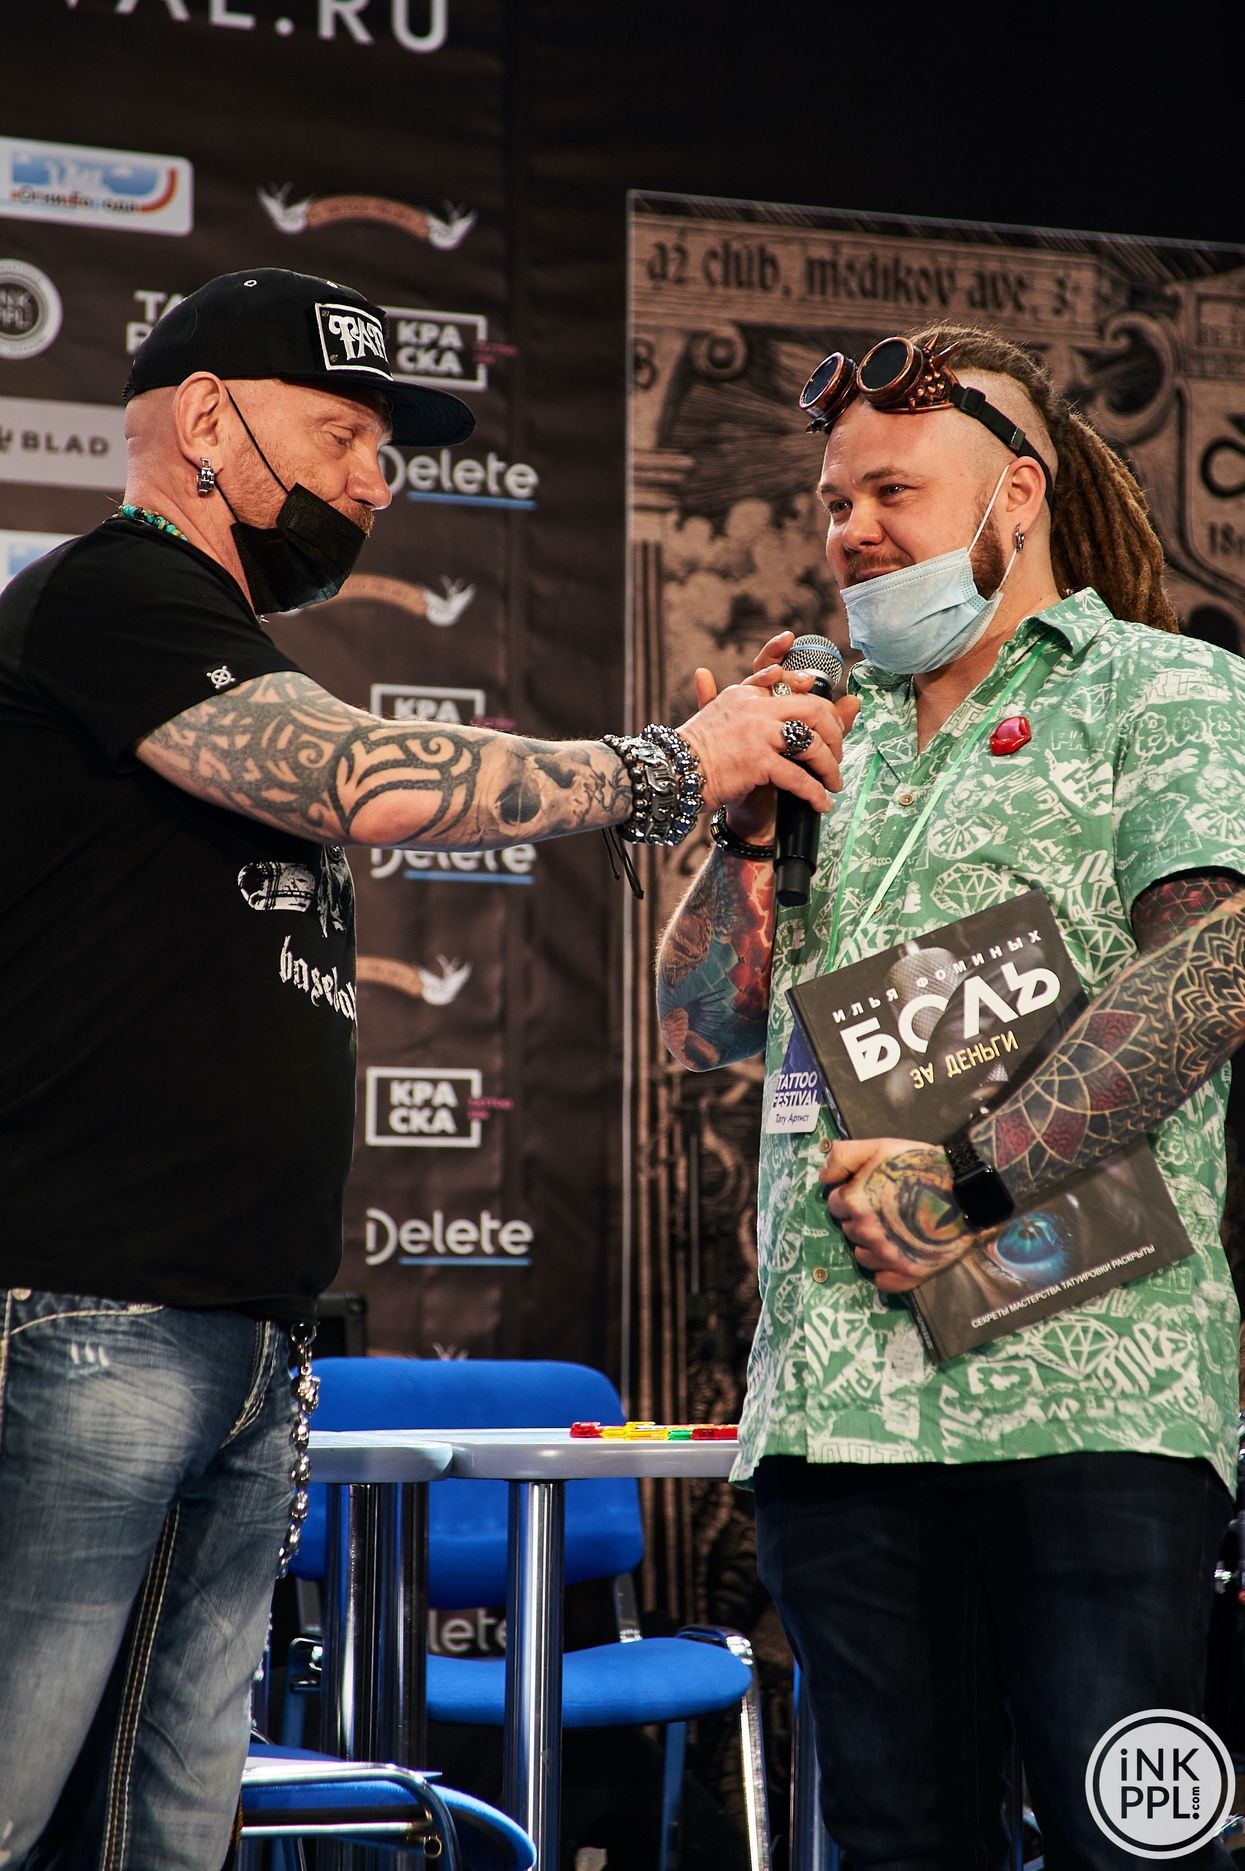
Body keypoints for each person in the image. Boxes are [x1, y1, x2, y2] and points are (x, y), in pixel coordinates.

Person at [0, 266, 848, 1871]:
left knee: (159, 1836)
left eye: (383, 449)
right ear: (203, 421)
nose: (374, 481)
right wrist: (667, 767)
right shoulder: (112, 597)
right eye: (340, 435)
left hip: (242, 1336)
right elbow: (361, 779)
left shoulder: (210, 645)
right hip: (85, 1314)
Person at [657, 324, 1245, 1869]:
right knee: (893, 1840)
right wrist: (741, 828)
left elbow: (1211, 975)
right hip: (840, 1421)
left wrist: (970, 1177)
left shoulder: (1165, 690)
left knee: (1128, 1846)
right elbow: (703, 1025)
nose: (850, 529)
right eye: (832, 501)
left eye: (891, 493)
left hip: (1091, 1396)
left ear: (1015, 497)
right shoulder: (830, 730)